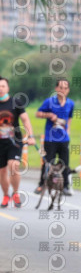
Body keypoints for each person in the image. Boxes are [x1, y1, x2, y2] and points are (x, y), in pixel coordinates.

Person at [0, 77, 36, 208]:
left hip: (14, 141)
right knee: (2, 172)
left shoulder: (16, 102)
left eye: (3, 86)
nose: (0, 89)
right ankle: (6, 195)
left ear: (8, 88)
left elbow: (25, 120)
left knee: (13, 165)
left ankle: (15, 193)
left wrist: (30, 136)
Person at [35, 78, 74, 196]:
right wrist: (49, 115)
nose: (63, 90)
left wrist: (68, 130)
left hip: (64, 139)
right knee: (48, 162)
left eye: (65, 88)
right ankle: (42, 184)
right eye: (60, 88)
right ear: (56, 88)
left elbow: (70, 117)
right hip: (50, 138)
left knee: (64, 163)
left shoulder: (70, 103)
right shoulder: (49, 101)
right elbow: (38, 114)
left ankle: (65, 186)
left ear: (68, 90)